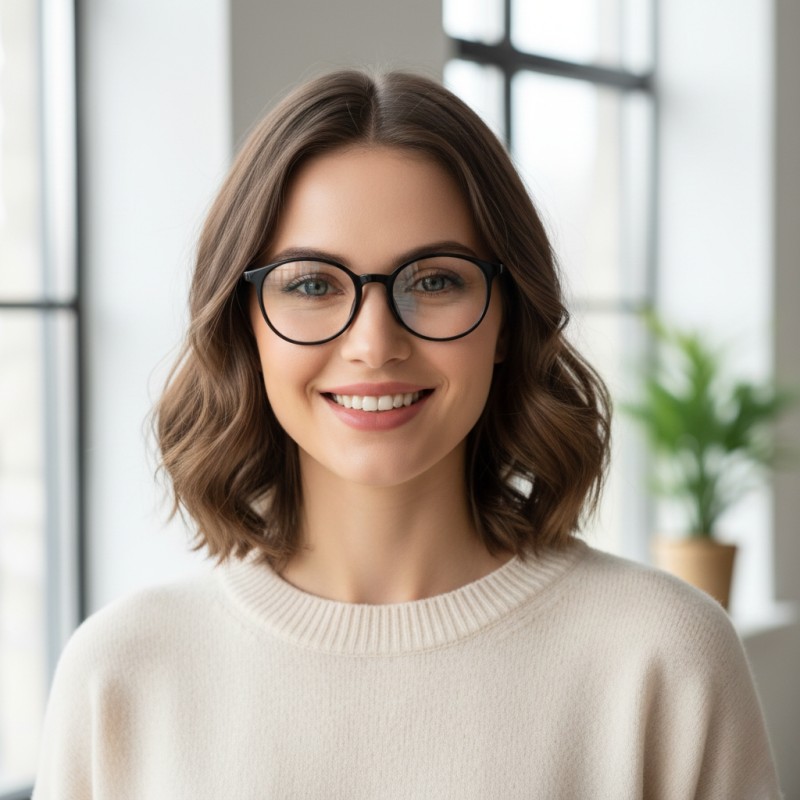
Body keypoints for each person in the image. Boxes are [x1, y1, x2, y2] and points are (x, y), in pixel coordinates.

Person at [33, 69, 781, 799]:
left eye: (434, 280)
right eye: (312, 284)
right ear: (245, 326)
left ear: (505, 320)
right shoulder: (123, 673)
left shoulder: (663, 656)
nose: (374, 342)